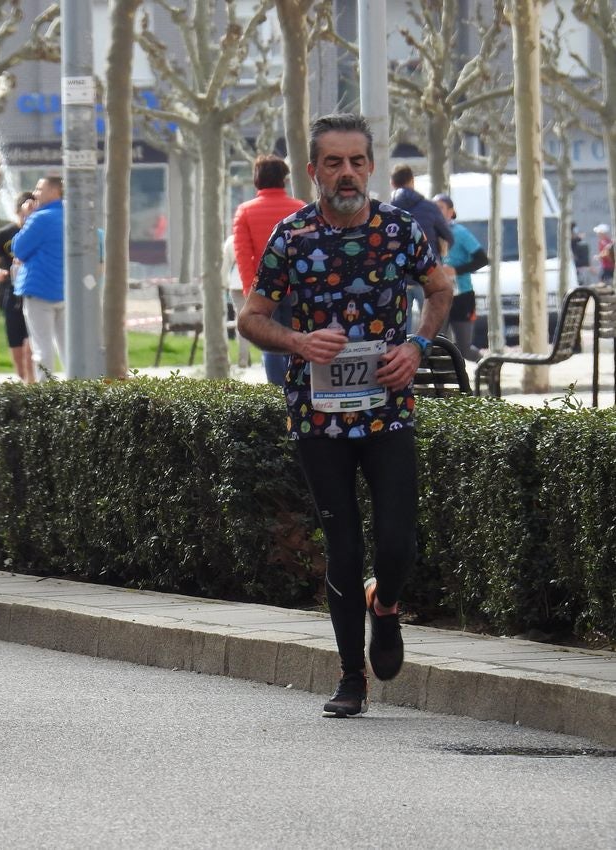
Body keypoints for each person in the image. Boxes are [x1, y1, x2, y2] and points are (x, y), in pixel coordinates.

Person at [237, 113, 453, 719]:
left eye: (357, 161)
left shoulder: (400, 229)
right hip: (318, 415)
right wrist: (300, 344)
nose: (347, 173)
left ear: (371, 167)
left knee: (397, 541)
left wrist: (416, 346)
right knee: (343, 543)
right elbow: (250, 318)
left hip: (388, 408)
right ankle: (350, 676)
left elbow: (440, 289)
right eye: (334, 162)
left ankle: (384, 608)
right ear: (314, 171)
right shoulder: (293, 236)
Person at [232, 154, 306, 385]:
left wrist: (249, 291)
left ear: (256, 180)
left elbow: (243, 255)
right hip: (298, 288)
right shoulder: (301, 209)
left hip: (264, 290)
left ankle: (275, 392)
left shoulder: (245, 211)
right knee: (299, 339)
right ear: (283, 180)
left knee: (270, 341)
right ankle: (299, 385)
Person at [12, 175, 65, 381]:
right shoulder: (72, 215)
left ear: (54, 191)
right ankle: (80, 388)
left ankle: (46, 396)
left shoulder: (40, 218)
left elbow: (19, 248)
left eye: (39, 189)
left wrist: (27, 217)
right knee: (67, 346)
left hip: (39, 289)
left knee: (42, 347)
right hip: (65, 290)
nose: (35, 193)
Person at [0, 191, 35, 383]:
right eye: (23, 214)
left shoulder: (41, 234)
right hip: (11, 296)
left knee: (30, 351)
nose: (27, 218)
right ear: (17, 212)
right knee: (19, 358)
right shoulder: (5, 235)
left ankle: (35, 392)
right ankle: (26, 385)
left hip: (35, 296)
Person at [390, 163, 452, 330]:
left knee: (403, 329)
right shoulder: (430, 208)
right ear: (412, 181)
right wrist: (439, 255)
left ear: (392, 183)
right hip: (427, 272)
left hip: (399, 277)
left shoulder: (387, 211)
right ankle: (432, 353)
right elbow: (448, 236)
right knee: (432, 326)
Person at [434, 193, 488, 362]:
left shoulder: (461, 233)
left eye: (440, 208)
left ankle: (488, 368)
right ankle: (440, 387)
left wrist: (455, 271)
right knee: (437, 346)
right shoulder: (429, 232)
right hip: (439, 295)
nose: (436, 211)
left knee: (463, 348)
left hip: (462, 296)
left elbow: (482, 259)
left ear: (451, 212)